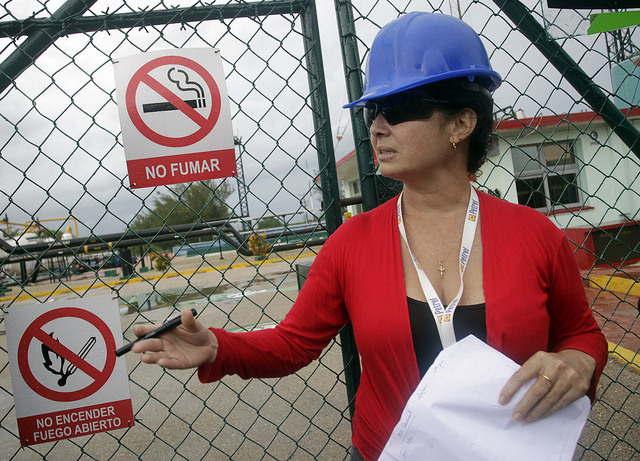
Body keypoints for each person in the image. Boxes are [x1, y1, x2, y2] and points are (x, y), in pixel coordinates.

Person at [131, 12, 608, 461]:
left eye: (399, 108)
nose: (377, 126)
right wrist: (218, 346)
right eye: (374, 110)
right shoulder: (351, 243)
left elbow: (580, 333)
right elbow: (293, 344)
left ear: (462, 123)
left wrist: (578, 362)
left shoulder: (535, 236)